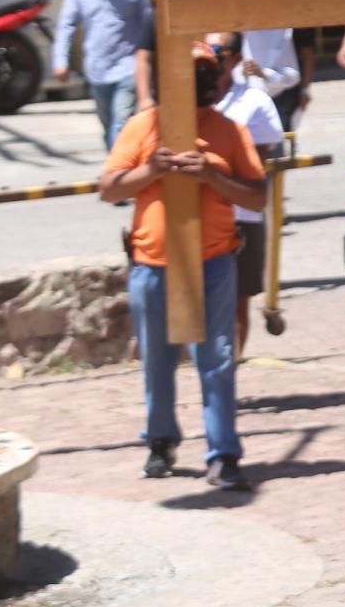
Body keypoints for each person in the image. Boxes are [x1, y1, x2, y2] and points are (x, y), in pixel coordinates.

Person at [97, 41, 267, 489]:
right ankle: (160, 440)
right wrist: (151, 170)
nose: (189, 84)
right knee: (156, 357)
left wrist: (211, 174)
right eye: (181, 75)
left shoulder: (228, 130)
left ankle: (224, 453)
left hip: (212, 262)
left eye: (200, 75)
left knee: (217, 358)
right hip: (152, 264)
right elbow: (109, 189)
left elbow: (257, 196)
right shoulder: (142, 126)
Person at [203, 32, 285, 356]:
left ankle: (228, 377)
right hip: (199, 213)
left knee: (237, 300)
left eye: (218, 51)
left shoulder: (254, 101)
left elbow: (257, 164)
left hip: (240, 216)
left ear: (236, 58)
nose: (211, 57)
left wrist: (214, 169)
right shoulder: (188, 100)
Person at [52, 0, 154, 148]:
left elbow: (149, 21)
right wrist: (60, 61)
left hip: (128, 68)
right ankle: (118, 172)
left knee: (120, 126)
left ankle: (120, 173)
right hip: (97, 71)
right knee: (108, 127)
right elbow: (67, 25)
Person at [232, 0, 307, 131]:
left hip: (274, 105)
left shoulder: (280, 26)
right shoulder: (224, 20)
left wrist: (264, 74)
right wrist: (238, 72)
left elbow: (293, 75)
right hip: (234, 108)